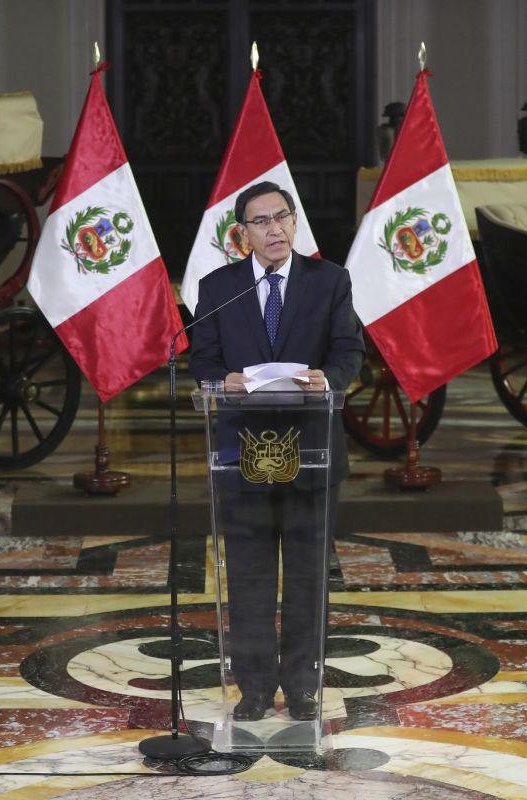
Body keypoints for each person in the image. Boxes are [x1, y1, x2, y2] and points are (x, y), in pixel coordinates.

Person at [189, 181, 364, 722]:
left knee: (310, 575)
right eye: (261, 222)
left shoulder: (329, 280)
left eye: (282, 217)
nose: (274, 230)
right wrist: (224, 380)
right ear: (243, 235)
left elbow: (349, 350)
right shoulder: (220, 288)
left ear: (295, 222)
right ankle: (256, 688)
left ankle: (304, 686)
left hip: (312, 450)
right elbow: (202, 359)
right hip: (242, 455)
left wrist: (327, 380)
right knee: (249, 576)